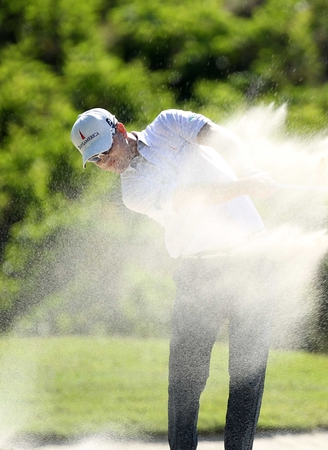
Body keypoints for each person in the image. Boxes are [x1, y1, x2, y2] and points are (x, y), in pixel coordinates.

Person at [70, 108, 277, 450]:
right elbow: (191, 200)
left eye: (106, 151)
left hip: (252, 260)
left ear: (120, 130)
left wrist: (251, 170)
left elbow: (218, 137)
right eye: (96, 160)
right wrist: (246, 185)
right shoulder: (133, 192)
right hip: (198, 273)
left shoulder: (167, 125)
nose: (105, 162)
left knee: (247, 374)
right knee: (185, 381)